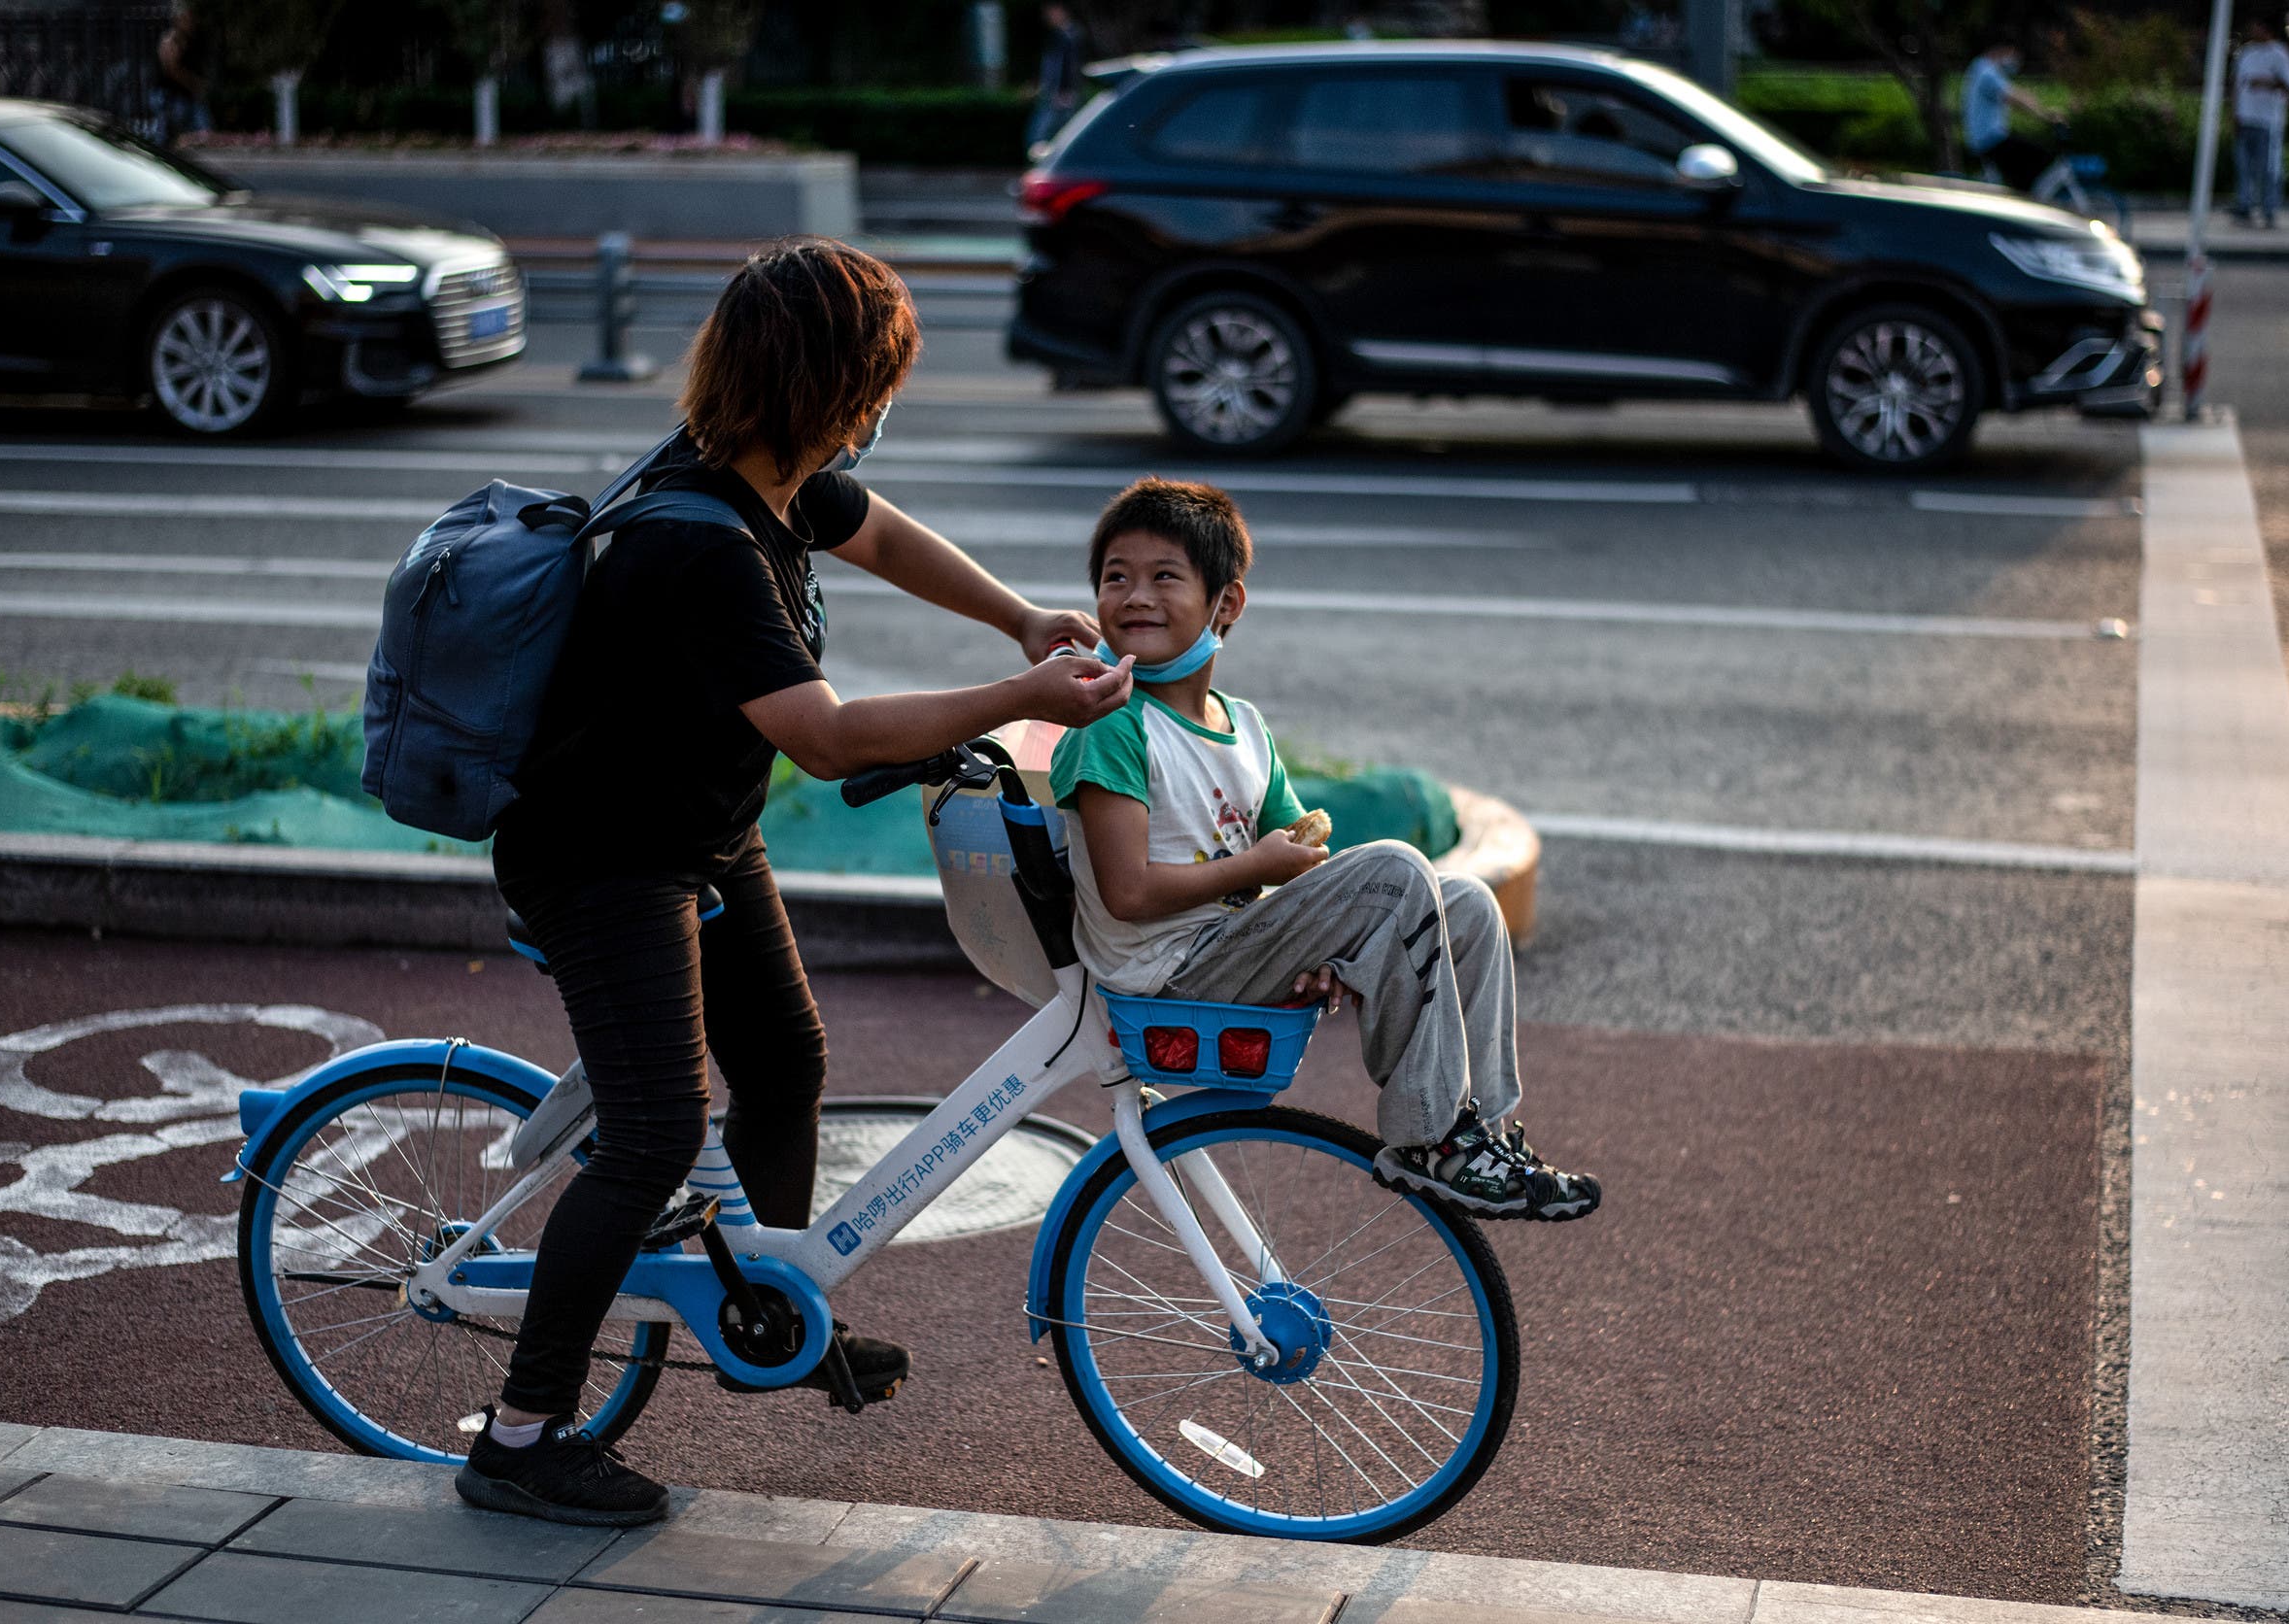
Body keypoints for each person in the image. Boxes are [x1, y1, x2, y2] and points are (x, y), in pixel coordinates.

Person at [455, 238, 1131, 1528]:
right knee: (656, 1133)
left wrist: (1017, 618)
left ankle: (759, 1299)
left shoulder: (768, 476)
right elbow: (822, 738)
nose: (885, 409)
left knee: (786, 1067)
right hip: (604, 859)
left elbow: (878, 533)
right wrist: (1027, 692)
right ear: (830, 388)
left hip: (696, 833)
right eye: (878, 379)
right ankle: (524, 1437)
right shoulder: (700, 540)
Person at [1050, 478, 1602, 1222]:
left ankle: (1479, 1133)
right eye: (1115, 577)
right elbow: (1129, 894)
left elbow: (1299, 867)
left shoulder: (1243, 725)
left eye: (1163, 577)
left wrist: (1316, 942)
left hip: (1231, 946)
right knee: (1395, 872)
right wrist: (1262, 874)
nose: (1135, 596)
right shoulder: (1113, 726)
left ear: (1226, 604)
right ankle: (1431, 1139)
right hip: (1165, 971)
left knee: (1465, 903)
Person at [2233, 18, 2289, 227]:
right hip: (2246, 117)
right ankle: (2244, 205)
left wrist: (2268, 82)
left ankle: (2269, 208)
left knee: (2268, 167)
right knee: (2244, 165)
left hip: (2268, 120)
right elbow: (2237, 84)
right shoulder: (2247, 53)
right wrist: (2235, 113)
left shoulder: (2279, 54)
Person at [1963, 36, 2053, 189]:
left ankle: (2021, 194)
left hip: (1987, 138)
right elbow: (2013, 97)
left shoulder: (1980, 67)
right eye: (2014, 54)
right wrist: (2044, 114)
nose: (2015, 60)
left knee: (2022, 168)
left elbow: (2014, 93)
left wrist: (2034, 102)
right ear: (2006, 50)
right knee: (2042, 156)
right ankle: (2026, 201)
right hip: (1990, 139)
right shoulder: (1987, 72)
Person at [153, 1, 215, 143]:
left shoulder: (196, 39)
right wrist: (194, 84)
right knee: (166, 135)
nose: (190, 21)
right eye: (186, 18)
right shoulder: (171, 40)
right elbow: (172, 69)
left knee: (204, 133)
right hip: (171, 95)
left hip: (189, 95)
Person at [1027, 3, 1084, 152]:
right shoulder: (1059, 36)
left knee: (1042, 134)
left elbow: (1069, 67)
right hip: (1057, 93)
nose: (1047, 18)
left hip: (1062, 94)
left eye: (1050, 12)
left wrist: (1064, 89)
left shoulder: (1070, 37)